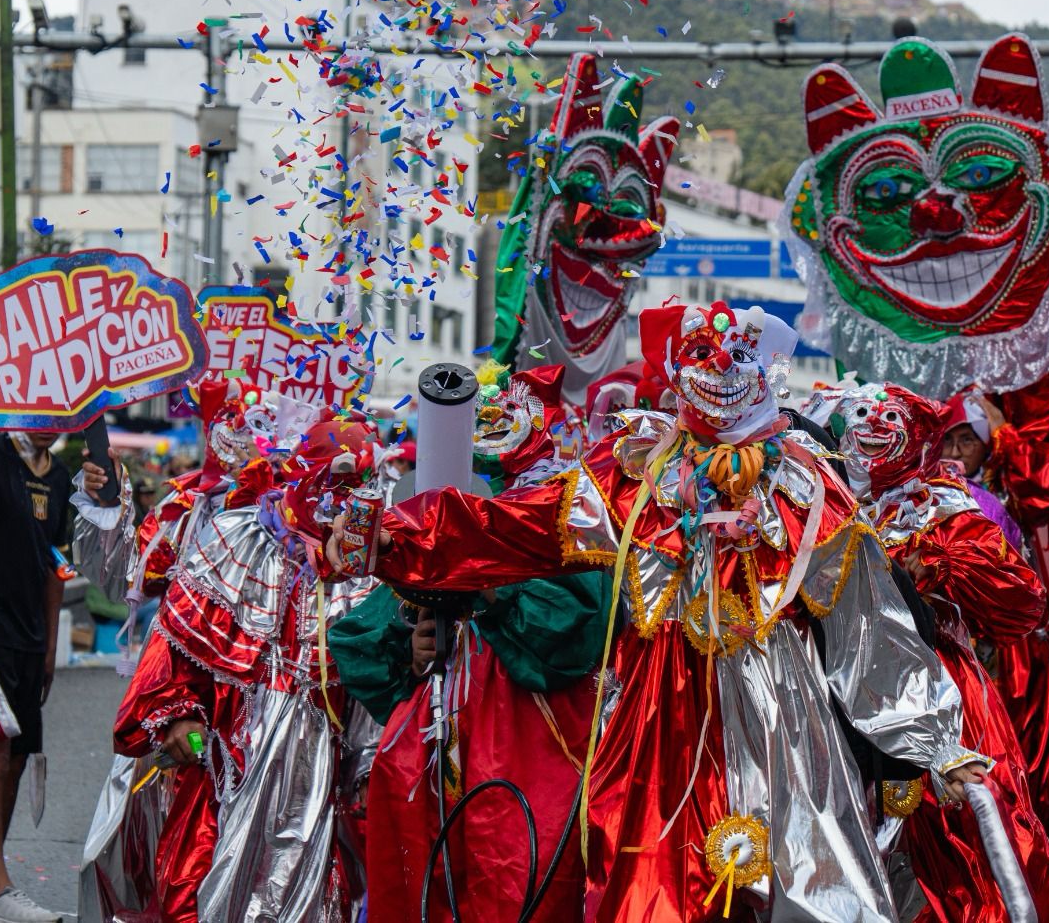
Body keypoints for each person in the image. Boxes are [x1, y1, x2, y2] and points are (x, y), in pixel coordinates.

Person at [348, 301, 990, 922]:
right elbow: (514, 527)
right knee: (656, 894)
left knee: (820, 889)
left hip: (790, 730)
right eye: (704, 353)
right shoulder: (634, 476)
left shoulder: (807, 486)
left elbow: (869, 625)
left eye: (737, 353)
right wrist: (395, 536)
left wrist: (936, 743)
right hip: (665, 721)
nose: (722, 368)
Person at [330, 364, 607, 922]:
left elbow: (580, 633)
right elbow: (357, 638)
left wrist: (490, 592)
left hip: (530, 753)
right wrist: (411, 647)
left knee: (517, 886)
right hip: (430, 755)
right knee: (424, 890)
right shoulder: (433, 526)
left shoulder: (566, 525)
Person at [110, 412, 380, 923]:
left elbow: (374, 691)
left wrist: (367, 766)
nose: (345, 506)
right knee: (202, 883)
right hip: (230, 756)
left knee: (312, 891)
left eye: (358, 492)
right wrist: (176, 716)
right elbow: (171, 645)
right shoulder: (238, 538)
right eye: (336, 487)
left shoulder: (367, 567)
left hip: (320, 768)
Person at [832, 382, 1049, 923]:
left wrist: (945, 563)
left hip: (944, 700)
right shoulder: (821, 500)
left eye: (889, 418)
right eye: (860, 416)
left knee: (966, 861)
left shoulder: (946, 510)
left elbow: (1024, 604)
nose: (871, 426)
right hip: (839, 703)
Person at [0, 430, 108, 923]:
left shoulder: (56, 477)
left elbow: (57, 565)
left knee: (16, 759)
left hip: (30, 639)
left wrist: (50, 645)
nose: (52, 421)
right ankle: (1, 888)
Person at [940, 391, 1049, 840]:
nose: (955, 453)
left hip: (1018, 658)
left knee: (1036, 769)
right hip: (958, 651)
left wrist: (1006, 432)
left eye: (967, 440)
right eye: (947, 441)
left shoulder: (1009, 495)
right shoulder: (929, 495)